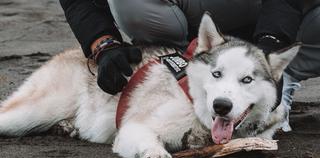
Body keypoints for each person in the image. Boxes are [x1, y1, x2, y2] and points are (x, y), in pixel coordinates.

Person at [59, 0, 320, 130]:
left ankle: (280, 74)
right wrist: (103, 45)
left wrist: (272, 47)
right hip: (187, 12)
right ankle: (180, 64)